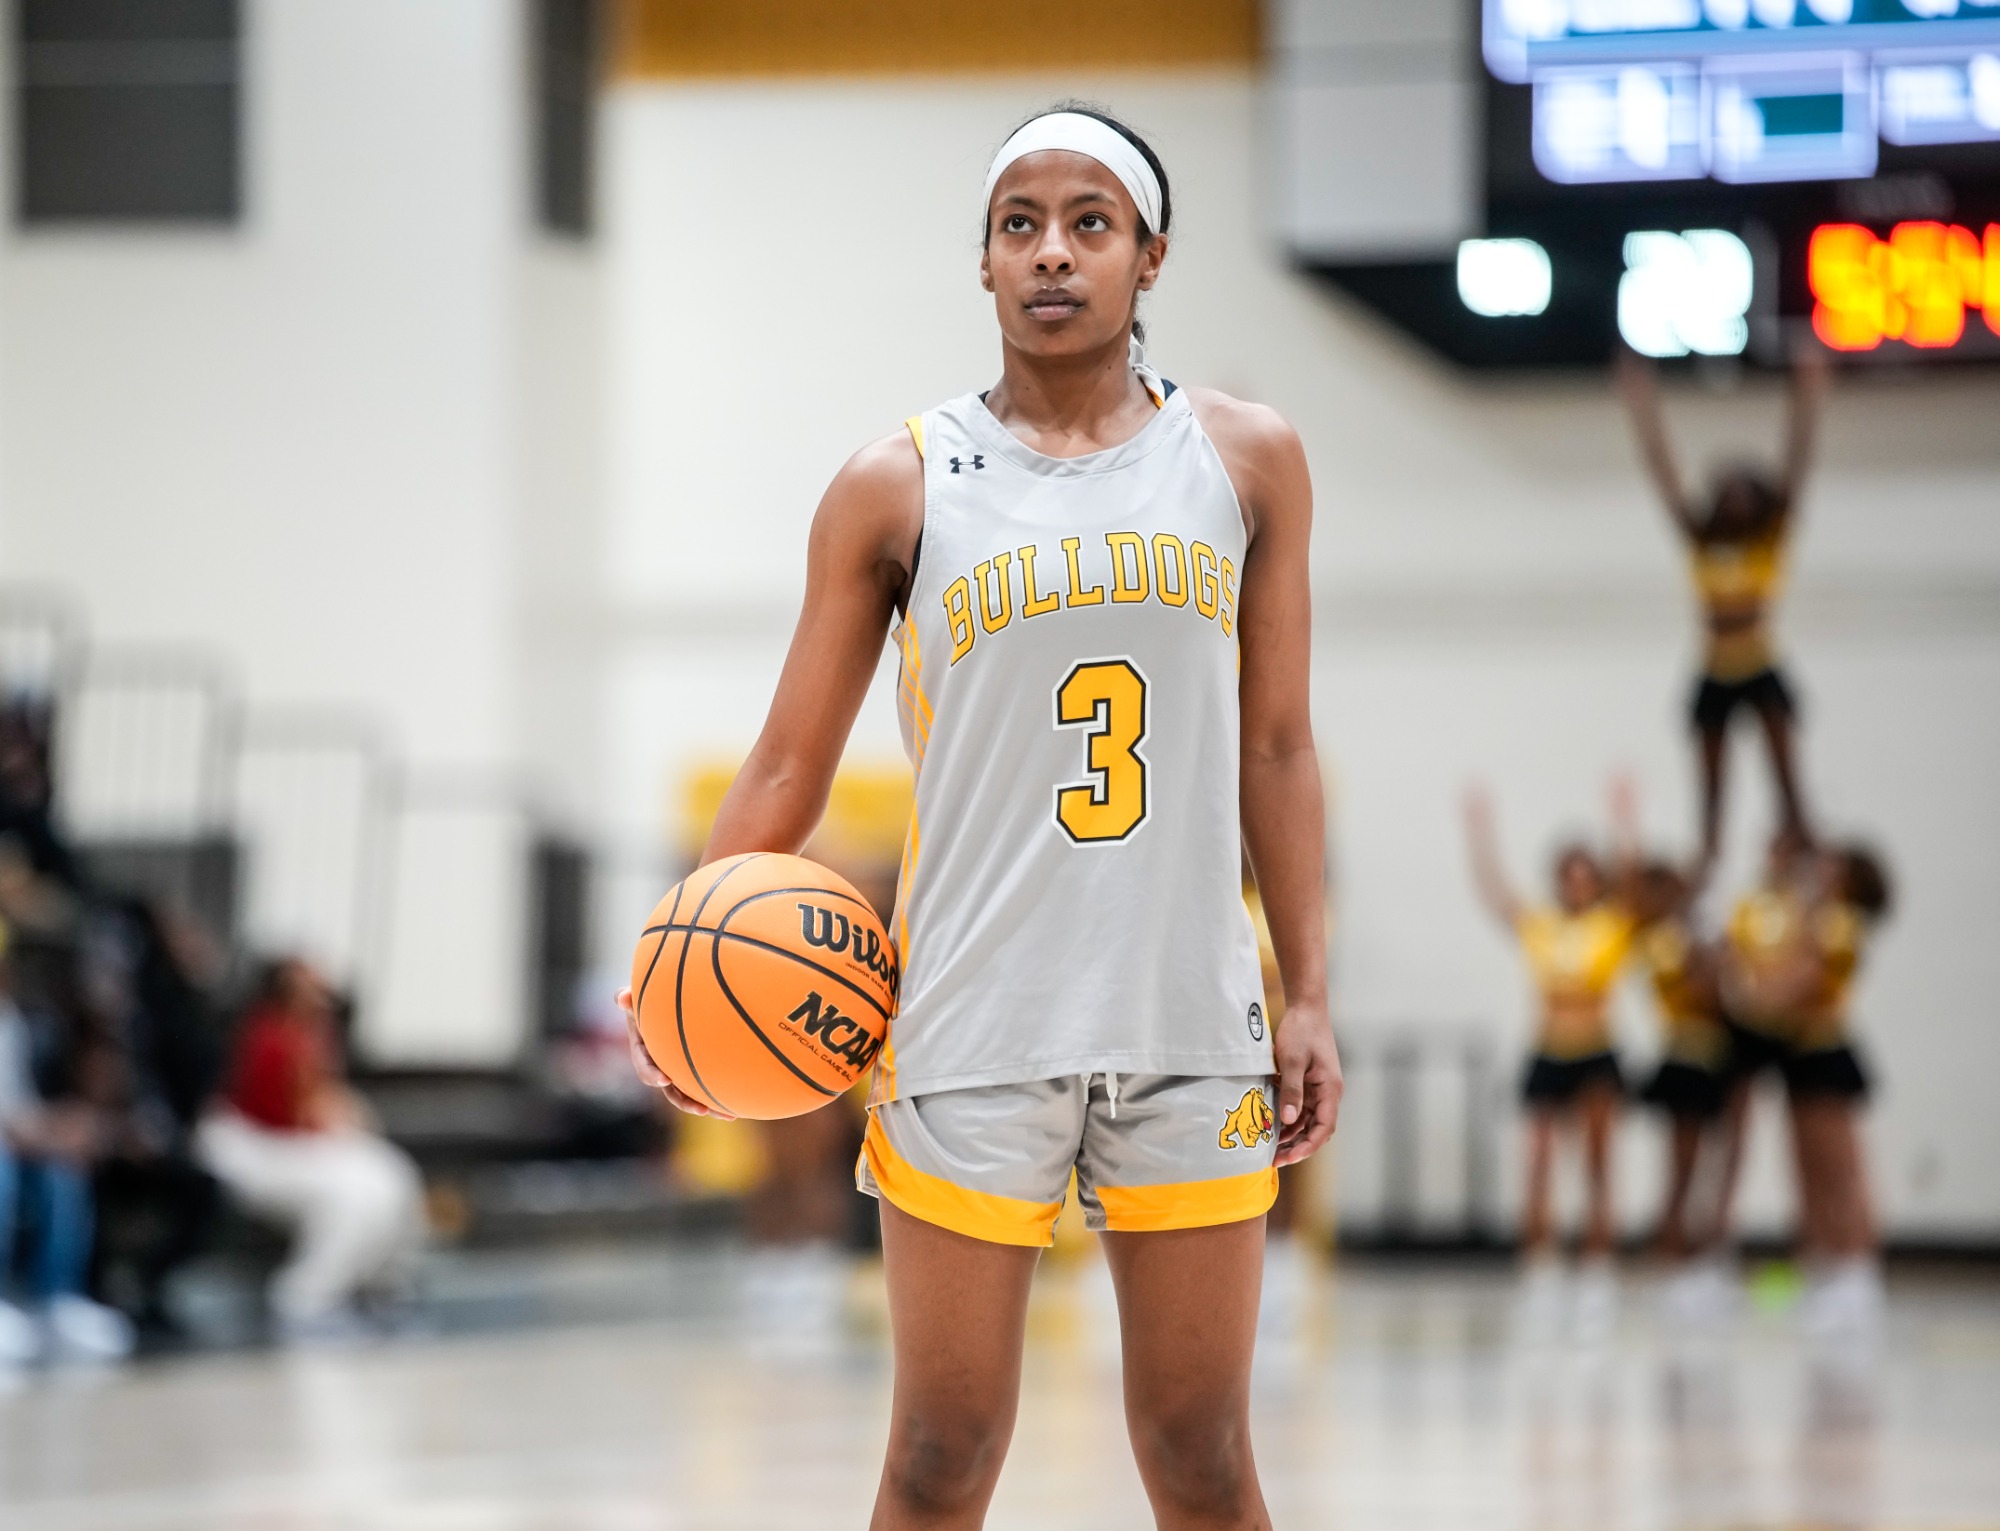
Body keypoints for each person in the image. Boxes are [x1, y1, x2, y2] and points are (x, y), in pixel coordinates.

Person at [622, 104, 1341, 1527]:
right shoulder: (895, 482)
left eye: (1092, 223)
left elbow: (1275, 741)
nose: (1054, 254)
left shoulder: (1247, 461)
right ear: (986, 263)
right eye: (1021, 225)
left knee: (1201, 1455)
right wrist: (678, 981)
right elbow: (783, 764)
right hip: (965, 1019)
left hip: (1189, 1017)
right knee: (942, 1455)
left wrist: (1309, 989)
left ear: (1152, 258)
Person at [1616, 348, 1831, 862]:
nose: (1735, 500)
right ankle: (1708, 860)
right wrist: (1641, 404)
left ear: (1759, 499)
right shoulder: (1700, 542)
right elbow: (1662, 471)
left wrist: (1809, 393)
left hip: (1759, 664)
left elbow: (1797, 464)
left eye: (1744, 491)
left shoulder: (1769, 542)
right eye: (1726, 491)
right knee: (1712, 794)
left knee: (1787, 781)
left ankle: (1802, 847)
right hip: (1713, 669)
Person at [1464, 789, 1633, 1337]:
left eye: (1587, 875)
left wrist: (1623, 818)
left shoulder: (1611, 926)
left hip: (1597, 1053)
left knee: (1598, 1164)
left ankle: (1597, 1275)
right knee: (1538, 1162)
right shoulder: (1542, 926)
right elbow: (1497, 897)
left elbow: (1631, 880)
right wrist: (1480, 833)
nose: (1577, 885)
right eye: (1569, 875)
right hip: (1547, 1053)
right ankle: (1540, 1273)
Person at [196, 958, 426, 1342]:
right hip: (258, 1148)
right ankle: (305, 1296)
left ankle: (380, 1283)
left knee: (392, 1175)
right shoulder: (266, 1035)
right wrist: (329, 1121)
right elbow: (280, 1110)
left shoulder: (316, 1034)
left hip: (300, 1142)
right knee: (352, 1196)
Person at [1721, 837, 1889, 1334]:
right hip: (1794, 1052)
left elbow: (1805, 980)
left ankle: (1858, 1264)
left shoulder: (1838, 925)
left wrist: (1755, 1000)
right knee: (1806, 1164)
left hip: (1825, 1050)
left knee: (1841, 1164)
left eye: (1832, 869)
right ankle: (1823, 1261)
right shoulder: (1798, 916)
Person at [0, 922, 135, 1367]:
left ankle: (55, 1300)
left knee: (63, 1168)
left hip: (14, 1136)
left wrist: (55, 1126)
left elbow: (18, 1102)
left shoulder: (11, 1022)